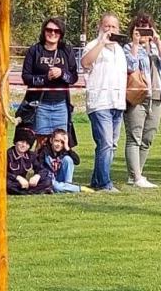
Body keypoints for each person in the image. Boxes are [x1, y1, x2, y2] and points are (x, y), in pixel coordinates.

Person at [81, 13, 128, 193]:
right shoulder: (93, 46)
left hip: (117, 103)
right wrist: (101, 43)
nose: (110, 30)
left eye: (113, 27)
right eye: (106, 26)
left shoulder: (120, 50)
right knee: (106, 143)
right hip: (100, 102)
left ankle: (97, 179)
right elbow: (85, 63)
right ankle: (104, 183)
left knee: (110, 144)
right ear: (100, 27)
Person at [123, 13, 161, 188]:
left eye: (146, 28)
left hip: (157, 96)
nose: (143, 33)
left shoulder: (157, 47)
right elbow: (130, 66)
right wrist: (136, 45)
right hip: (137, 97)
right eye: (139, 28)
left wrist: (158, 43)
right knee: (134, 136)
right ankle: (134, 177)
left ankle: (139, 174)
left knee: (148, 137)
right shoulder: (128, 48)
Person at [20, 17, 79, 145]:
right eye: (49, 30)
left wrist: (62, 73)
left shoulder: (66, 51)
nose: (52, 33)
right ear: (44, 31)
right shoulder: (35, 50)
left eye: (56, 31)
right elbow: (26, 77)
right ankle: (40, 165)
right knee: (42, 143)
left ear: (61, 33)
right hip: (40, 105)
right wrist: (45, 78)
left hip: (61, 105)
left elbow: (74, 77)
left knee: (61, 142)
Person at [37, 128, 89, 193]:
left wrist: (67, 148)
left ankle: (67, 185)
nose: (59, 144)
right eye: (56, 141)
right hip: (49, 179)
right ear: (51, 140)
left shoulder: (64, 151)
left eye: (62, 142)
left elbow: (77, 161)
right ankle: (79, 189)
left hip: (61, 178)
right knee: (55, 186)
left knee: (68, 159)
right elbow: (39, 166)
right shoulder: (44, 151)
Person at [6, 126, 52, 196]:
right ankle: (32, 191)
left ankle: (27, 191)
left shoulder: (31, 155)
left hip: (27, 182)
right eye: (21, 141)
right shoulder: (8, 154)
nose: (24, 145)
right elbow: (1, 172)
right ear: (16, 142)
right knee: (6, 183)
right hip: (13, 181)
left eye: (27, 143)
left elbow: (42, 170)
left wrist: (37, 176)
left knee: (47, 180)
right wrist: (17, 178)